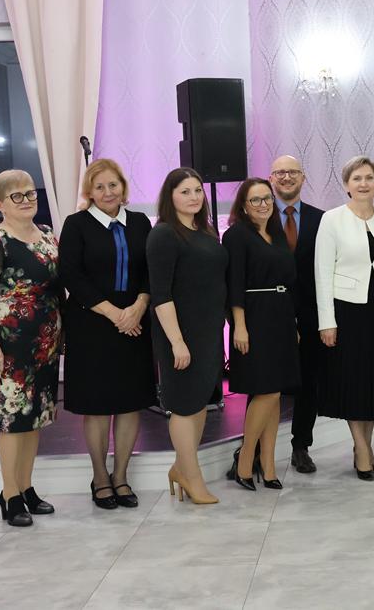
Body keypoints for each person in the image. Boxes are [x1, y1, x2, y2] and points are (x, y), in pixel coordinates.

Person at [60, 159, 155, 510]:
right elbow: (71, 275)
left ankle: (121, 475)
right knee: (98, 406)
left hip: (135, 322)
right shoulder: (76, 224)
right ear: (89, 192)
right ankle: (100, 477)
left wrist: (139, 306)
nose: (107, 192)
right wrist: (116, 314)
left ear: (123, 187)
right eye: (99, 187)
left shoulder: (141, 222)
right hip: (92, 324)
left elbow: (150, 271)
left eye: (113, 185)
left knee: (130, 403)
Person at [0, 169, 61, 527]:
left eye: (30, 193)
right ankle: (9, 494)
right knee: (11, 420)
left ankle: (26, 486)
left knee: (34, 418)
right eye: (16, 196)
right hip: (8, 345)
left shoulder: (47, 234)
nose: (26, 200)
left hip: (45, 340)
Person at [315, 156, 374, 480]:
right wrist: (327, 322)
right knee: (354, 380)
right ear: (346, 184)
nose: (364, 183)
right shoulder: (332, 220)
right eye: (357, 178)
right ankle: (362, 449)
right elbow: (322, 273)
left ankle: (364, 447)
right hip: (347, 310)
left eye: (369, 177)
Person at [147, 167, 228, 504]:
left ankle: (182, 468)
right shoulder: (164, 234)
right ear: (171, 197)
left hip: (208, 331)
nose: (194, 197)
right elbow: (161, 294)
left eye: (197, 190)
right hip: (179, 334)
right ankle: (192, 477)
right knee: (182, 405)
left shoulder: (206, 231)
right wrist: (177, 341)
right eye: (185, 191)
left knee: (199, 402)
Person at [223, 178, 299, 491]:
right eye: (255, 200)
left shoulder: (276, 233)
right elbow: (234, 283)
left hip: (281, 317)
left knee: (275, 392)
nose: (263, 204)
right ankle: (245, 460)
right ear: (243, 205)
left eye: (267, 198)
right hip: (254, 318)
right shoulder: (236, 235)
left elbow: (289, 280)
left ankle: (268, 465)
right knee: (265, 391)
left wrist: (293, 323)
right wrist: (239, 325)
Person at [269, 155, 325, 473]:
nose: (286, 177)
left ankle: (301, 446)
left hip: (311, 313)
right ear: (271, 178)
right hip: (270, 313)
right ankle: (254, 450)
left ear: (303, 178)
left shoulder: (322, 219)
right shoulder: (259, 217)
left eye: (292, 172)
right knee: (265, 384)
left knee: (309, 382)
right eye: (280, 172)